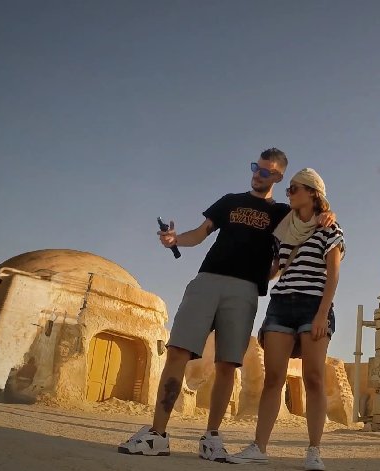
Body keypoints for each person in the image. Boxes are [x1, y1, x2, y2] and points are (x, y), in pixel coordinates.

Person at [117, 149, 335, 463]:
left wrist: (330, 214)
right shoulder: (230, 201)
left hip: (245, 291)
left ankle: (212, 438)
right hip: (207, 280)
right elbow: (200, 233)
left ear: (278, 177)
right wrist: (175, 240)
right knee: (178, 351)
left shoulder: (282, 213)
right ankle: (157, 434)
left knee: (228, 364)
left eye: (266, 171)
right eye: (256, 168)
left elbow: (311, 217)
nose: (257, 174)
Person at [230, 168, 344, 471]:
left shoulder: (329, 228)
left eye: (294, 188)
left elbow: (333, 275)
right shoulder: (284, 229)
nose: (289, 193)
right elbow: (276, 269)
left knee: (314, 377)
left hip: (313, 305)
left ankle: (314, 451)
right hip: (280, 304)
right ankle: (259, 447)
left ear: (312, 193)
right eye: (288, 188)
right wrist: (245, 277)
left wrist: (322, 314)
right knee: (273, 378)